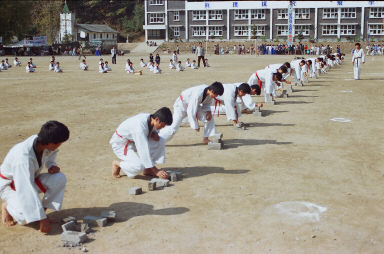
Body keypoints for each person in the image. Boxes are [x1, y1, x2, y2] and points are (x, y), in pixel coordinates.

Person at [0, 121, 69, 233]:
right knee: (24, 217)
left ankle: (40, 212)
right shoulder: (22, 157)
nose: (60, 145)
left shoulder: (42, 141)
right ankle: (7, 206)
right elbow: (25, 189)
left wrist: (52, 165)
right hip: (9, 186)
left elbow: (51, 157)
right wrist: (42, 219)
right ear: (51, 143)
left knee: (59, 178)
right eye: (60, 143)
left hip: (30, 179)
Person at [110, 107, 173, 179]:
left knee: (159, 140)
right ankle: (118, 164)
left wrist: (153, 132)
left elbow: (147, 131)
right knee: (139, 166)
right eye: (163, 125)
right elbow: (143, 151)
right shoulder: (139, 127)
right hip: (121, 144)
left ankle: (148, 169)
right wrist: (156, 171)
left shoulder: (149, 118)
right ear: (157, 119)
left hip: (132, 140)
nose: (163, 127)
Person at [159, 82, 224, 144]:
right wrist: (195, 125)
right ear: (212, 91)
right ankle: (157, 140)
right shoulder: (198, 93)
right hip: (181, 106)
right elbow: (191, 111)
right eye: (216, 94)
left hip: (195, 106)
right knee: (173, 128)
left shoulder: (209, 94)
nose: (216, 96)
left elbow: (206, 105)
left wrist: (208, 112)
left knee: (208, 118)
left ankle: (205, 139)